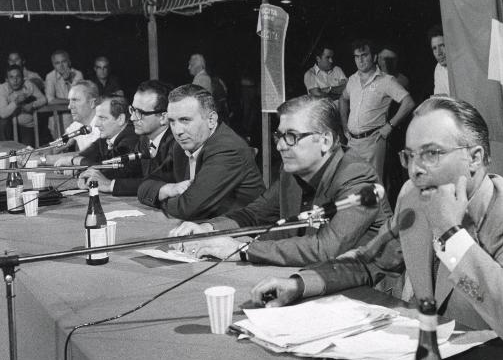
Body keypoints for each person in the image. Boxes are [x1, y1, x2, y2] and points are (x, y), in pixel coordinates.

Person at [252, 97, 503, 360]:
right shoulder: (413, 195)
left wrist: (452, 234)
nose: (415, 169)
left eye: (431, 154)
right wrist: (301, 283)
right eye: (410, 155)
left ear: (475, 158)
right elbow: (373, 259)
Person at [170, 95, 392, 267]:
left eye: (291, 137)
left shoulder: (357, 176)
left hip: (365, 294)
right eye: (279, 136)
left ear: (326, 140)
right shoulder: (292, 172)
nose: (280, 146)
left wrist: (242, 249)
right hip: (305, 276)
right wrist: (208, 228)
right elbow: (254, 214)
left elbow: (324, 248)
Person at [137, 84, 264, 221]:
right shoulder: (181, 146)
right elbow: (145, 186)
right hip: (204, 229)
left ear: (211, 120)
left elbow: (188, 208)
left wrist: (161, 198)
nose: (178, 131)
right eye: (172, 121)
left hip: (244, 235)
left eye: (185, 120)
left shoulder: (228, 149)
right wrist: (168, 189)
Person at [78, 80, 174, 196]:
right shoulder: (145, 139)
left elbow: (160, 182)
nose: (132, 118)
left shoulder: (176, 143)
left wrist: (110, 185)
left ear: (163, 117)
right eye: (132, 110)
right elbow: (128, 169)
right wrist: (93, 175)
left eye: (140, 112)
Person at [339, 39, 415, 179]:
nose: (360, 60)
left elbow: (408, 102)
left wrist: (390, 125)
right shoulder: (352, 79)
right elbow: (343, 99)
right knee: (353, 185)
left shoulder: (386, 81)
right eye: (357, 56)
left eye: (364, 55)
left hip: (372, 143)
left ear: (374, 57)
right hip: (352, 143)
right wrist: (344, 126)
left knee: (372, 187)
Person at [54, 96, 139, 179]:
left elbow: (112, 170)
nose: (96, 124)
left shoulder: (131, 137)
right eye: (97, 118)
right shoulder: (106, 138)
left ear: (120, 119)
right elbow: (86, 155)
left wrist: (75, 161)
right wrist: (73, 163)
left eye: (102, 118)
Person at [0, 65, 47, 146]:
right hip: (10, 126)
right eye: (11, 77)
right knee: (3, 124)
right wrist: (16, 102)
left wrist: (32, 104)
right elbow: (2, 113)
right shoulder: (3, 88)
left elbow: (43, 99)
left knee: (27, 152)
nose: (15, 80)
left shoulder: (28, 84)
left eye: (18, 76)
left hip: (27, 125)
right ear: (7, 79)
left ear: (23, 77)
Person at [44, 49, 84, 133]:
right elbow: (50, 100)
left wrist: (69, 80)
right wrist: (71, 101)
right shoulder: (50, 76)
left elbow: (79, 97)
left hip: (76, 119)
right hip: (57, 121)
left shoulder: (77, 74)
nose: (61, 66)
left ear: (69, 62)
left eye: (64, 62)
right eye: (57, 63)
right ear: (53, 65)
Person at [188, 53, 230, 122]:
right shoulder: (204, 77)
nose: (189, 67)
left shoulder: (201, 79)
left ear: (197, 66)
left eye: (191, 65)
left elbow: (196, 103)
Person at [428, 25, 449, 96]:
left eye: (442, 46)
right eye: (434, 48)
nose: (439, 53)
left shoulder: (463, 63)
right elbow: (440, 99)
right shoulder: (438, 68)